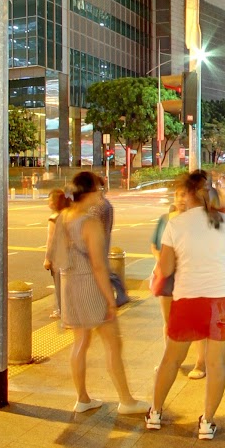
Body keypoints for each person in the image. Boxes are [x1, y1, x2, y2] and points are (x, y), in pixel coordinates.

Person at [146, 168, 225, 439]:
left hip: (188, 299)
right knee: (217, 364)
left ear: (189, 194)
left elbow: (166, 268)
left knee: (171, 358)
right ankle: (207, 422)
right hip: (223, 299)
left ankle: (155, 413)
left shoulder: (176, 224)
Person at [43, 170, 136, 415]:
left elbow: (56, 256)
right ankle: (126, 400)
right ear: (89, 192)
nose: (101, 194)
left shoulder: (63, 217)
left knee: (80, 343)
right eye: (98, 189)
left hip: (69, 286)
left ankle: (83, 398)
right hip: (91, 288)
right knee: (113, 344)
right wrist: (109, 300)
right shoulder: (89, 222)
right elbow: (98, 265)